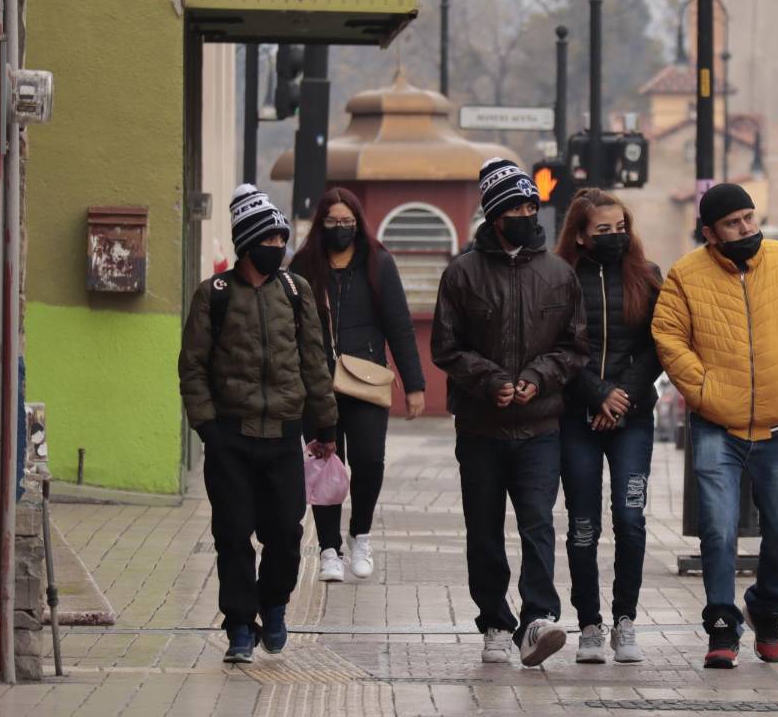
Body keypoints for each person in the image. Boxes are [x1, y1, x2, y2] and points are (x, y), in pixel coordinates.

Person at [652, 183, 778, 669]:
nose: (746, 228)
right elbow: (668, 336)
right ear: (710, 233)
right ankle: (722, 626)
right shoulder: (686, 275)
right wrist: (706, 391)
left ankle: (767, 607)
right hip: (716, 425)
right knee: (717, 528)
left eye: (749, 218)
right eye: (733, 223)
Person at [431, 158, 589, 667]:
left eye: (531, 205)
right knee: (484, 527)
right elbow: (446, 348)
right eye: (518, 207)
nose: (528, 213)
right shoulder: (462, 273)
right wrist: (492, 381)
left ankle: (538, 618)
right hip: (480, 428)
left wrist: (536, 378)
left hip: (541, 426)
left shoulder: (560, 275)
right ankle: (495, 622)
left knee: (538, 524)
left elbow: (574, 346)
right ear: (497, 216)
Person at [179, 184, 338, 663]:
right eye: (269, 239)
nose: (278, 247)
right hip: (231, 436)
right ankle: (239, 628)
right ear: (248, 242)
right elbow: (193, 366)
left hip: (284, 436)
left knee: (285, 535)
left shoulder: (296, 291)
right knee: (232, 534)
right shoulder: (215, 296)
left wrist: (324, 426)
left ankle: (273, 604)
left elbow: (315, 360)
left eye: (281, 238)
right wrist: (208, 426)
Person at [291, 188, 427, 583]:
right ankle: (329, 548)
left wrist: (414, 385)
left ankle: (360, 535)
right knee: (324, 461)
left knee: (369, 460)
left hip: (366, 380)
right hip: (317, 383)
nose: (340, 229)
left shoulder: (378, 262)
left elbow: (399, 326)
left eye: (347, 222)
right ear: (320, 223)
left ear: (358, 222)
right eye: (332, 222)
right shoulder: (304, 265)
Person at [553, 188, 663, 664]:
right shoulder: (559, 280)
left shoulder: (647, 276)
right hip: (576, 418)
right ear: (580, 235)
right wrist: (596, 393)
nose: (616, 237)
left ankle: (625, 621)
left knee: (631, 520)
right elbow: (554, 348)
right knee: (582, 526)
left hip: (633, 418)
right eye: (604, 230)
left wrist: (620, 398)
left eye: (621, 228)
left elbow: (659, 345)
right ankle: (590, 625)